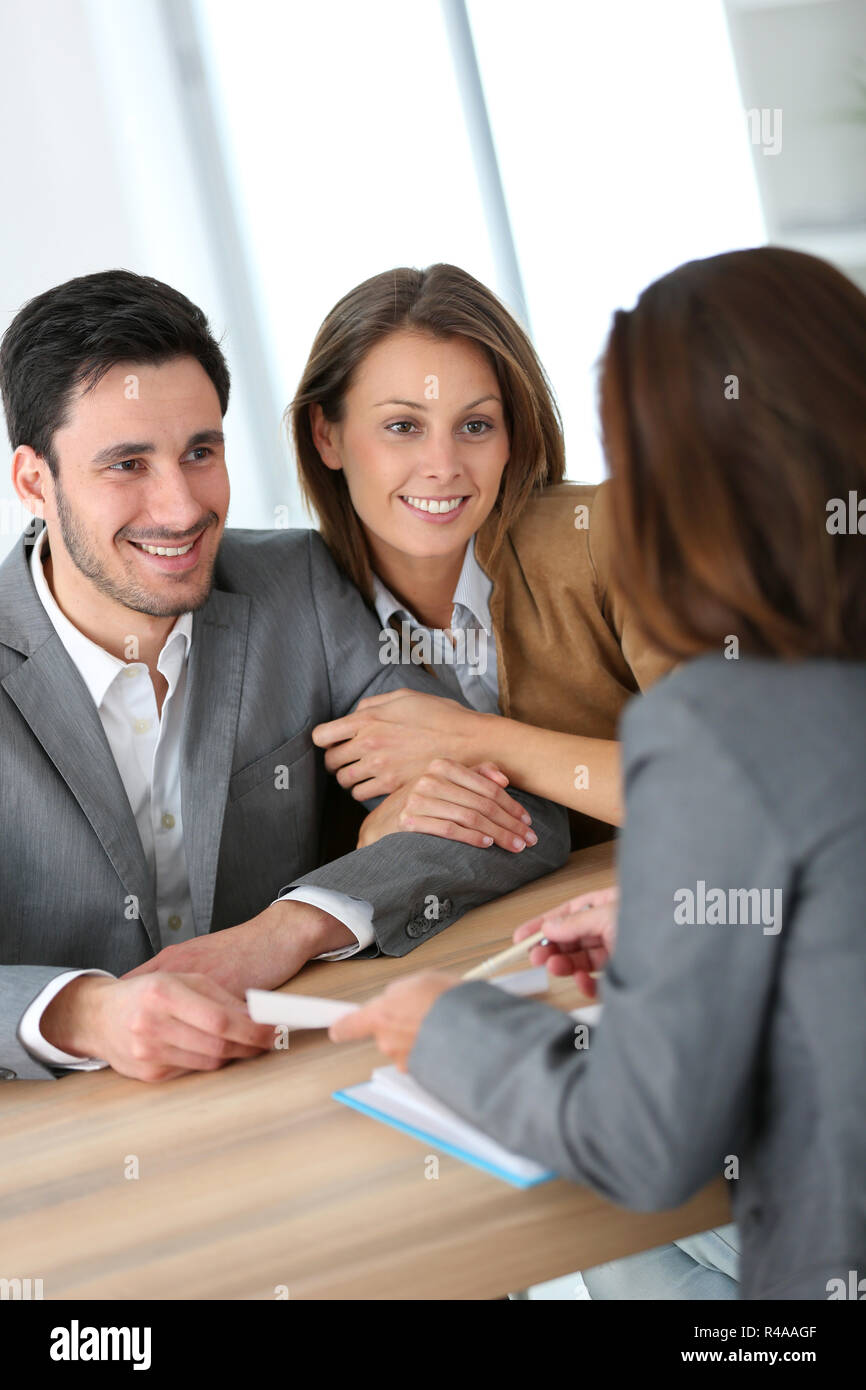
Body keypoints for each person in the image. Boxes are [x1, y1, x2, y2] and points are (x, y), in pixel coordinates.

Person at [331, 246, 866, 1301]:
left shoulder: (716, 716)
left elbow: (640, 1141)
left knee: (595, 1237)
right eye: (400, 425)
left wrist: (449, 1027)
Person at [0, 269, 570, 1084]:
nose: (180, 507)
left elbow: (514, 812)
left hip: (291, 1083)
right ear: (34, 482)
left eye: (201, 452)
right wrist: (84, 1014)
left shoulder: (291, 584)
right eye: (127, 464)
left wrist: (289, 927)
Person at [288, 263, 671, 855]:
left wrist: (473, 739)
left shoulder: (609, 534)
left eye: (475, 424)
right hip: (497, 945)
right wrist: (373, 840)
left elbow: (740, 777)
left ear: (512, 434)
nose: (443, 466)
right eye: (402, 425)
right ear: (326, 435)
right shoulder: (301, 612)